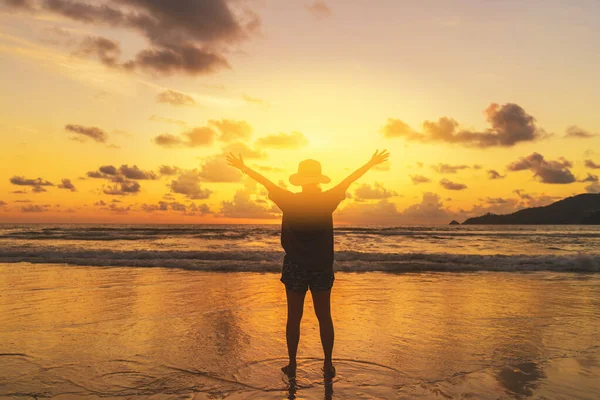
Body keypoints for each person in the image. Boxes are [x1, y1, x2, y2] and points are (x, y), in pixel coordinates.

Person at [226, 149, 390, 379]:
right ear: (319, 180)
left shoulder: (289, 199)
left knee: (294, 318)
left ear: (301, 181)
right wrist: (371, 163)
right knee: (325, 316)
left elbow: (266, 182)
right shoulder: (328, 198)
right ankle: (328, 364)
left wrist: (244, 168)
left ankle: (292, 365)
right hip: (322, 265)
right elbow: (350, 178)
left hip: (295, 265)